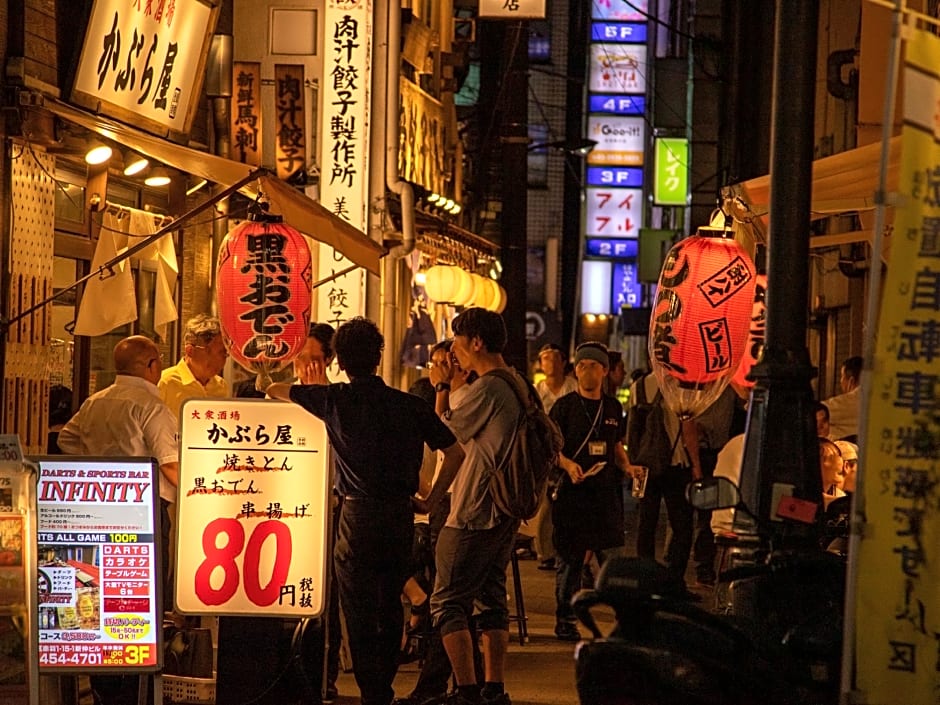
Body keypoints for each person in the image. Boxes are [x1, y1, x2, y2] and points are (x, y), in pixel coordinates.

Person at [268, 317, 465, 705]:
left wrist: (305, 385)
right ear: (378, 357)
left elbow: (274, 390)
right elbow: (455, 452)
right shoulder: (410, 405)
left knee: (357, 610)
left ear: (338, 360)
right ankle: (384, 688)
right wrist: (430, 499)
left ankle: (371, 691)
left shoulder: (334, 400)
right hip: (399, 517)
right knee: (391, 604)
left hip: (356, 520)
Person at [57, 336, 179, 705]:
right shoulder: (152, 407)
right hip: (144, 518)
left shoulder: (96, 402)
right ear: (153, 366)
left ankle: (103, 691)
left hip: (95, 518)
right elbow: (171, 465)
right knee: (141, 607)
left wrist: (100, 468)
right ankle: (135, 692)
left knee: (96, 604)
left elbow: (66, 439)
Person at [425, 307, 523, 705]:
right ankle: (493, 689)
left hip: (474, 509)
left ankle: (466, 691)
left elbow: (441, 432)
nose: (454, 354)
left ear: (476, 342)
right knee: (491, 598)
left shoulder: (489, 389)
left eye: (458, 345)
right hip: (503, 511)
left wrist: (442, 386)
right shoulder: (514, 382)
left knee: (446, 601)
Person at [549, 342, 631, 641]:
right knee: (569, 561)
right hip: (573, 495)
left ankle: (622, 619)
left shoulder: (613, 407)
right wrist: (569, 465)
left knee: (611, 560)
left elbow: (615, 445)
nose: (586, 370)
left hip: (606, 495)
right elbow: (551, 450)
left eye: (593, 365)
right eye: (581, 365)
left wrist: (628, 467)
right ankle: (566, 619)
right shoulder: (564, 407)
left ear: (605, 371)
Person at [627, 371, 697, 596]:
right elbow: (688, 429)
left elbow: (632, 429)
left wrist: (632, 465)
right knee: (682, 526)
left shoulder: (639, 387)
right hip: (676, 463)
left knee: (646, 523)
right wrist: (697, 465)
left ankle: (644, 580)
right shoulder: (682, 386)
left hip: (645, 464)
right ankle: (674, 582)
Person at [531, 343, 577, 571]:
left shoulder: (573, 388)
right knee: (544, 504)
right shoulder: (536, 391)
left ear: (563, 362)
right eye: (544, 359)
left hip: (571, 450)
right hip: (544, 453)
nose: (548, 363)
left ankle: (567, 549)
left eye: (553, 358)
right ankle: (545, 551)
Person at [158, 314, 229, 418]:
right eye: (209, 352)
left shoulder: (221, 386)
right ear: (190, 350)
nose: (218, 360)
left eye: (223, 353)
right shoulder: (165, 382)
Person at [823, 356, 862, 442]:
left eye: (842, 376)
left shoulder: (850, 401)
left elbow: (817, 411)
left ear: (851, 380)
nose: (840, 381)